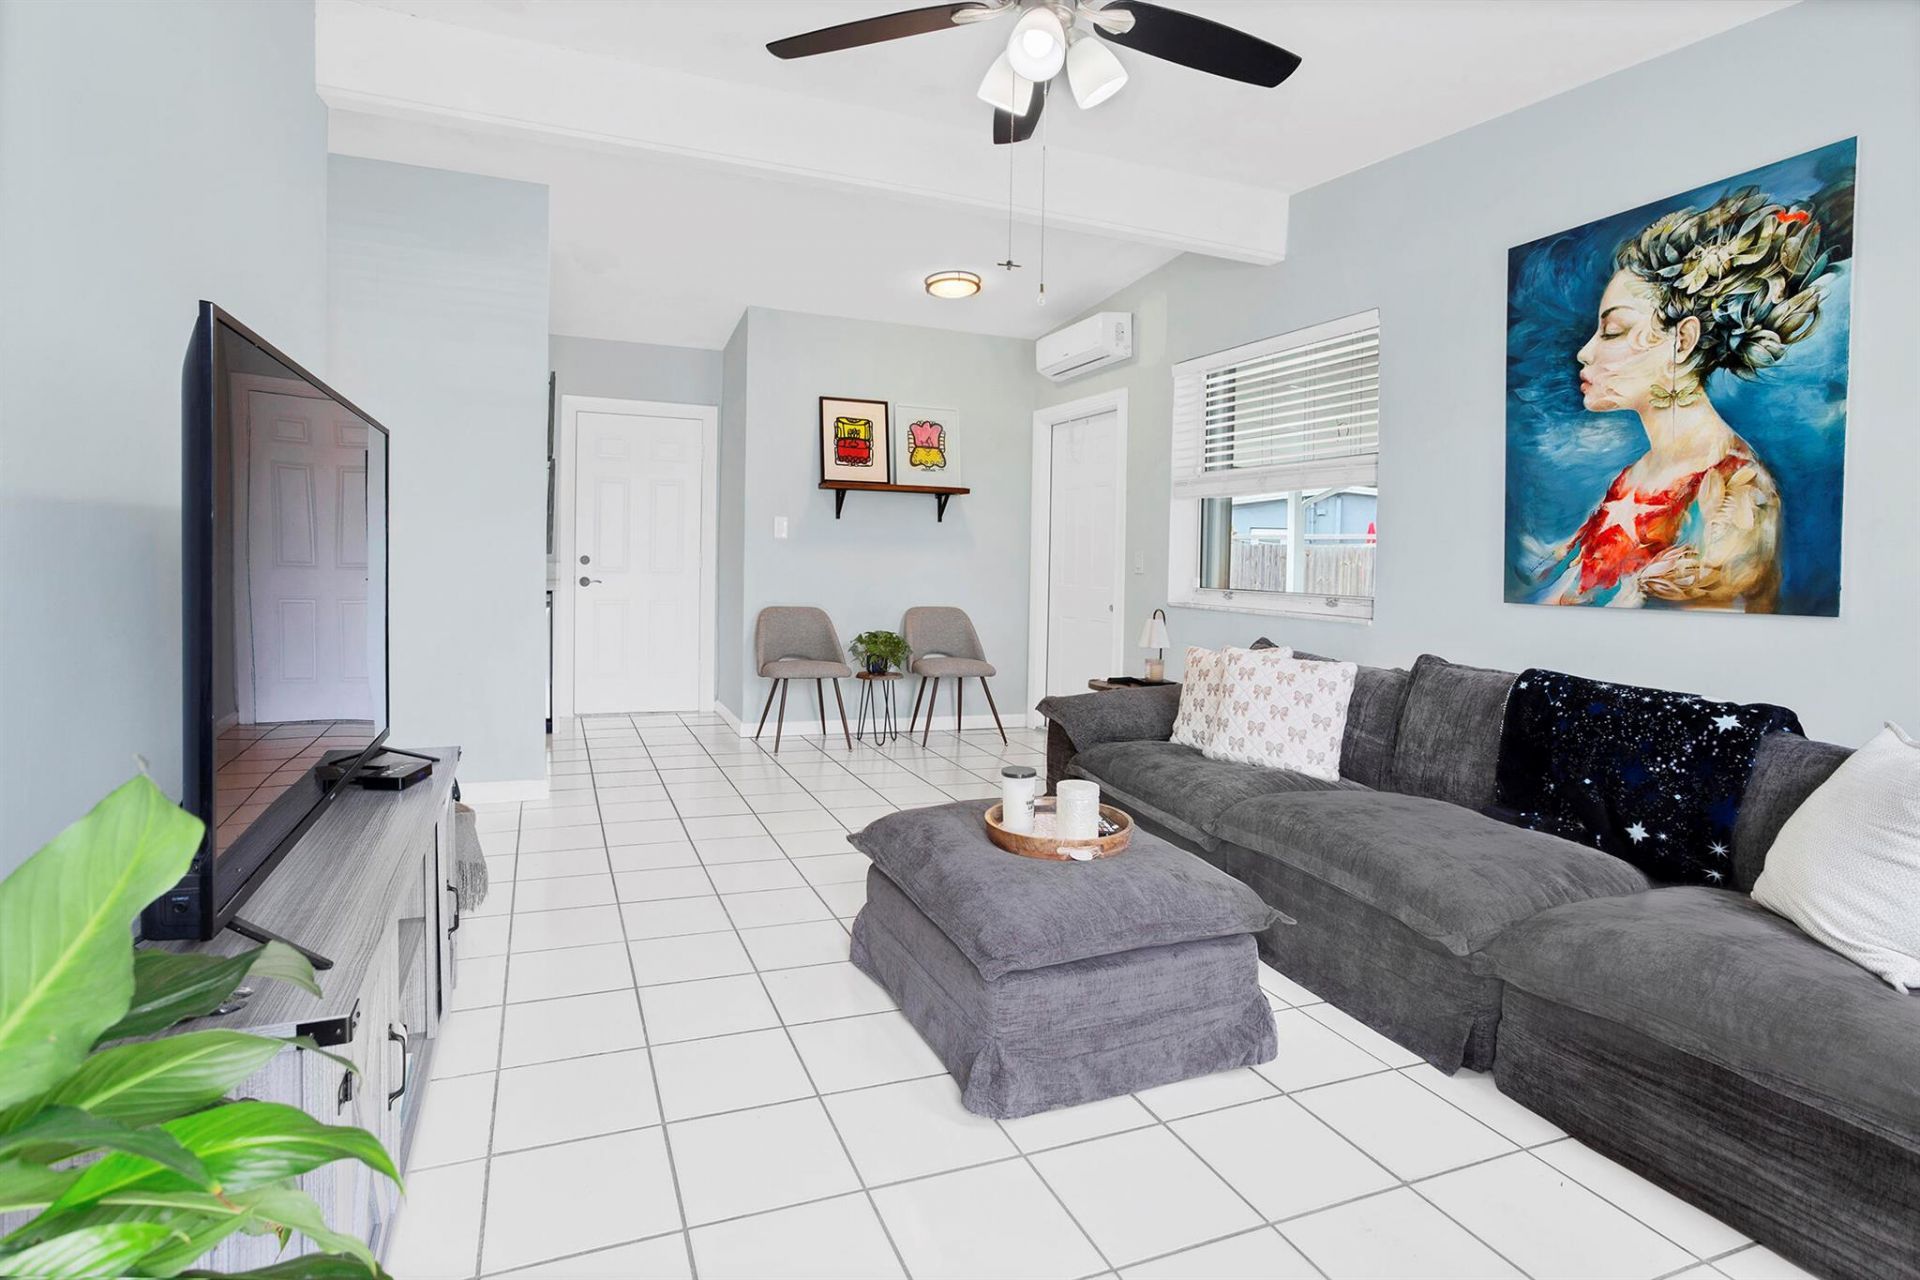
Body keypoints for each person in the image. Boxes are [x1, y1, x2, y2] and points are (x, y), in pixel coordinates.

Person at [1524, 188, 1835, 610]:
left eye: (1613, 331)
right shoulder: (1635, 474)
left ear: (1683, 341)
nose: (1585, 351)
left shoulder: (1735, 493)